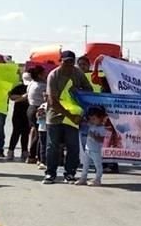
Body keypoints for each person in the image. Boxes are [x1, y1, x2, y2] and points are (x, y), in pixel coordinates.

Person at [43, 51, 92, 184]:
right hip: (55, 115)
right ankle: (50, 173)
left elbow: (89, 90)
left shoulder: (78, 73)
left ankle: (70, 173)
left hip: (73, 116)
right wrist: (70, 116)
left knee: (73, 146)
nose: (69, 64)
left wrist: (78, 94)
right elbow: (53, 101)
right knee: (52, 146)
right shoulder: (54, 75)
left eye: (71, 61)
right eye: (66, 62)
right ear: (61, 61)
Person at [76, 105, 108, 186]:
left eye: (94, 119)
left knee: (98, 166)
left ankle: (98, 179)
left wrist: (95, 137)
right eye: (91, 119)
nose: (92, 121)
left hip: (96, 150)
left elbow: (102, 139)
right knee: (85, 165)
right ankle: (83, 178)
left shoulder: (102, 128)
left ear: (101, 118)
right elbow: (84, 121)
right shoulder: (91, 125)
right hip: (88, 149)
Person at [24, 66, 46, 164]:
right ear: (39, 75)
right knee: (40, 134)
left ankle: (32, 155)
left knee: (36, 133)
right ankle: (33, 155)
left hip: (30, 108)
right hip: (38, 109)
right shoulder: (42, 86)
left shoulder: (32, 83)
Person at [6, 75, 30, 161]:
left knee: (25, 133)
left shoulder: (32, 86)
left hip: (28, 114)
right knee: (16, 132)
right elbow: (11, 96)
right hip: (18, 114)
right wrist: (22, 97)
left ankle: (24, 151)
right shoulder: (18, 87)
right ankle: (10, 151)